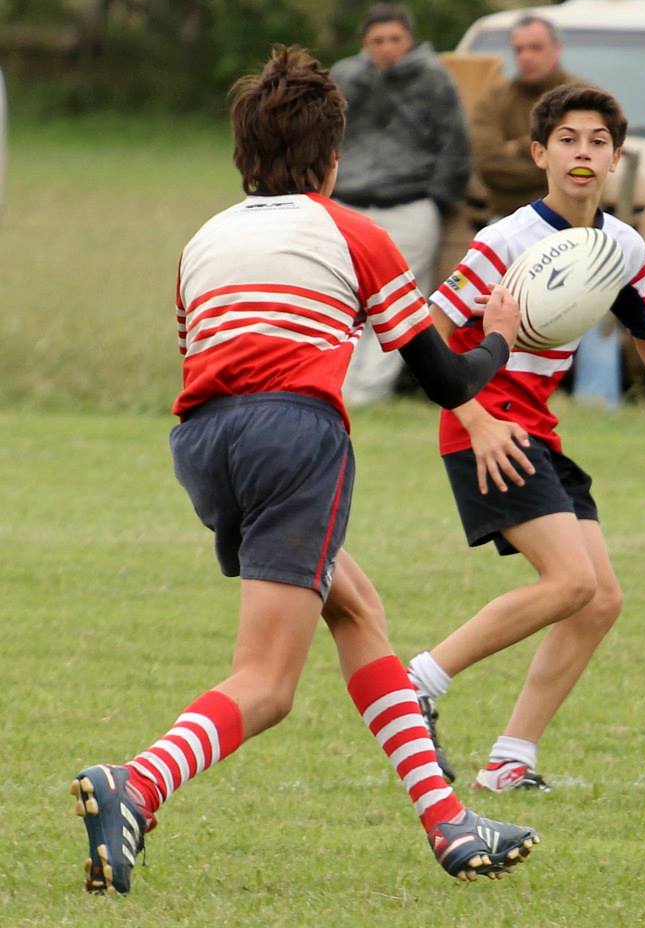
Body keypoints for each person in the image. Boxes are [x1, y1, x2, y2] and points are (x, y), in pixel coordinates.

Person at [69, 45, 539, 895]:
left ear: (243, 155)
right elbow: (443, 380)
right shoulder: (352, 231)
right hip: (291, 433)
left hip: (202, 447)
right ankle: (134, 785)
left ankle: (449, 825)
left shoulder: (201, 240)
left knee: (355, 604)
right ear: (331, 158)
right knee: (269, 683)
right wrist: (501, 333)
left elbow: (201, 359)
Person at [406, 84, 645, 790]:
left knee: (598, 599)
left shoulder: (618, 247)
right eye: (567, 139)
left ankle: (511, 759)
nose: (582, 153)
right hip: (486, 425)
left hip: (535, 426)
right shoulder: (502, 241)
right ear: (539, 154)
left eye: (597, 142)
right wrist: (474, 420)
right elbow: (426, 333)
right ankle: (414, 686)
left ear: (614, 158)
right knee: (569, 581)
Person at [330, 3, 470, 406]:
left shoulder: (433, 78)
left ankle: (370, 393)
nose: (387, 48)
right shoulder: (345, 78)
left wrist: (437, 199)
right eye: (377, 40)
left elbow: (454, 142)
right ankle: (337, 387)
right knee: (345, 298)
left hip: (409, 201)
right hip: (350, 201)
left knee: (396, 302)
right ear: (364, 44)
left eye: (395, 39)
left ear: (409, 40)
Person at [470, 15, 577, 221]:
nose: (526, 56)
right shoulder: (495, 100)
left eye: (536, 48)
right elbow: (486, 165)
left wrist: (517, 148)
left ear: (557, 49)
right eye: (519, 49)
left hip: (570, 218)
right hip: (507, 217)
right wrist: (552, 164)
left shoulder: (580, 97)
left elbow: (582, 164)